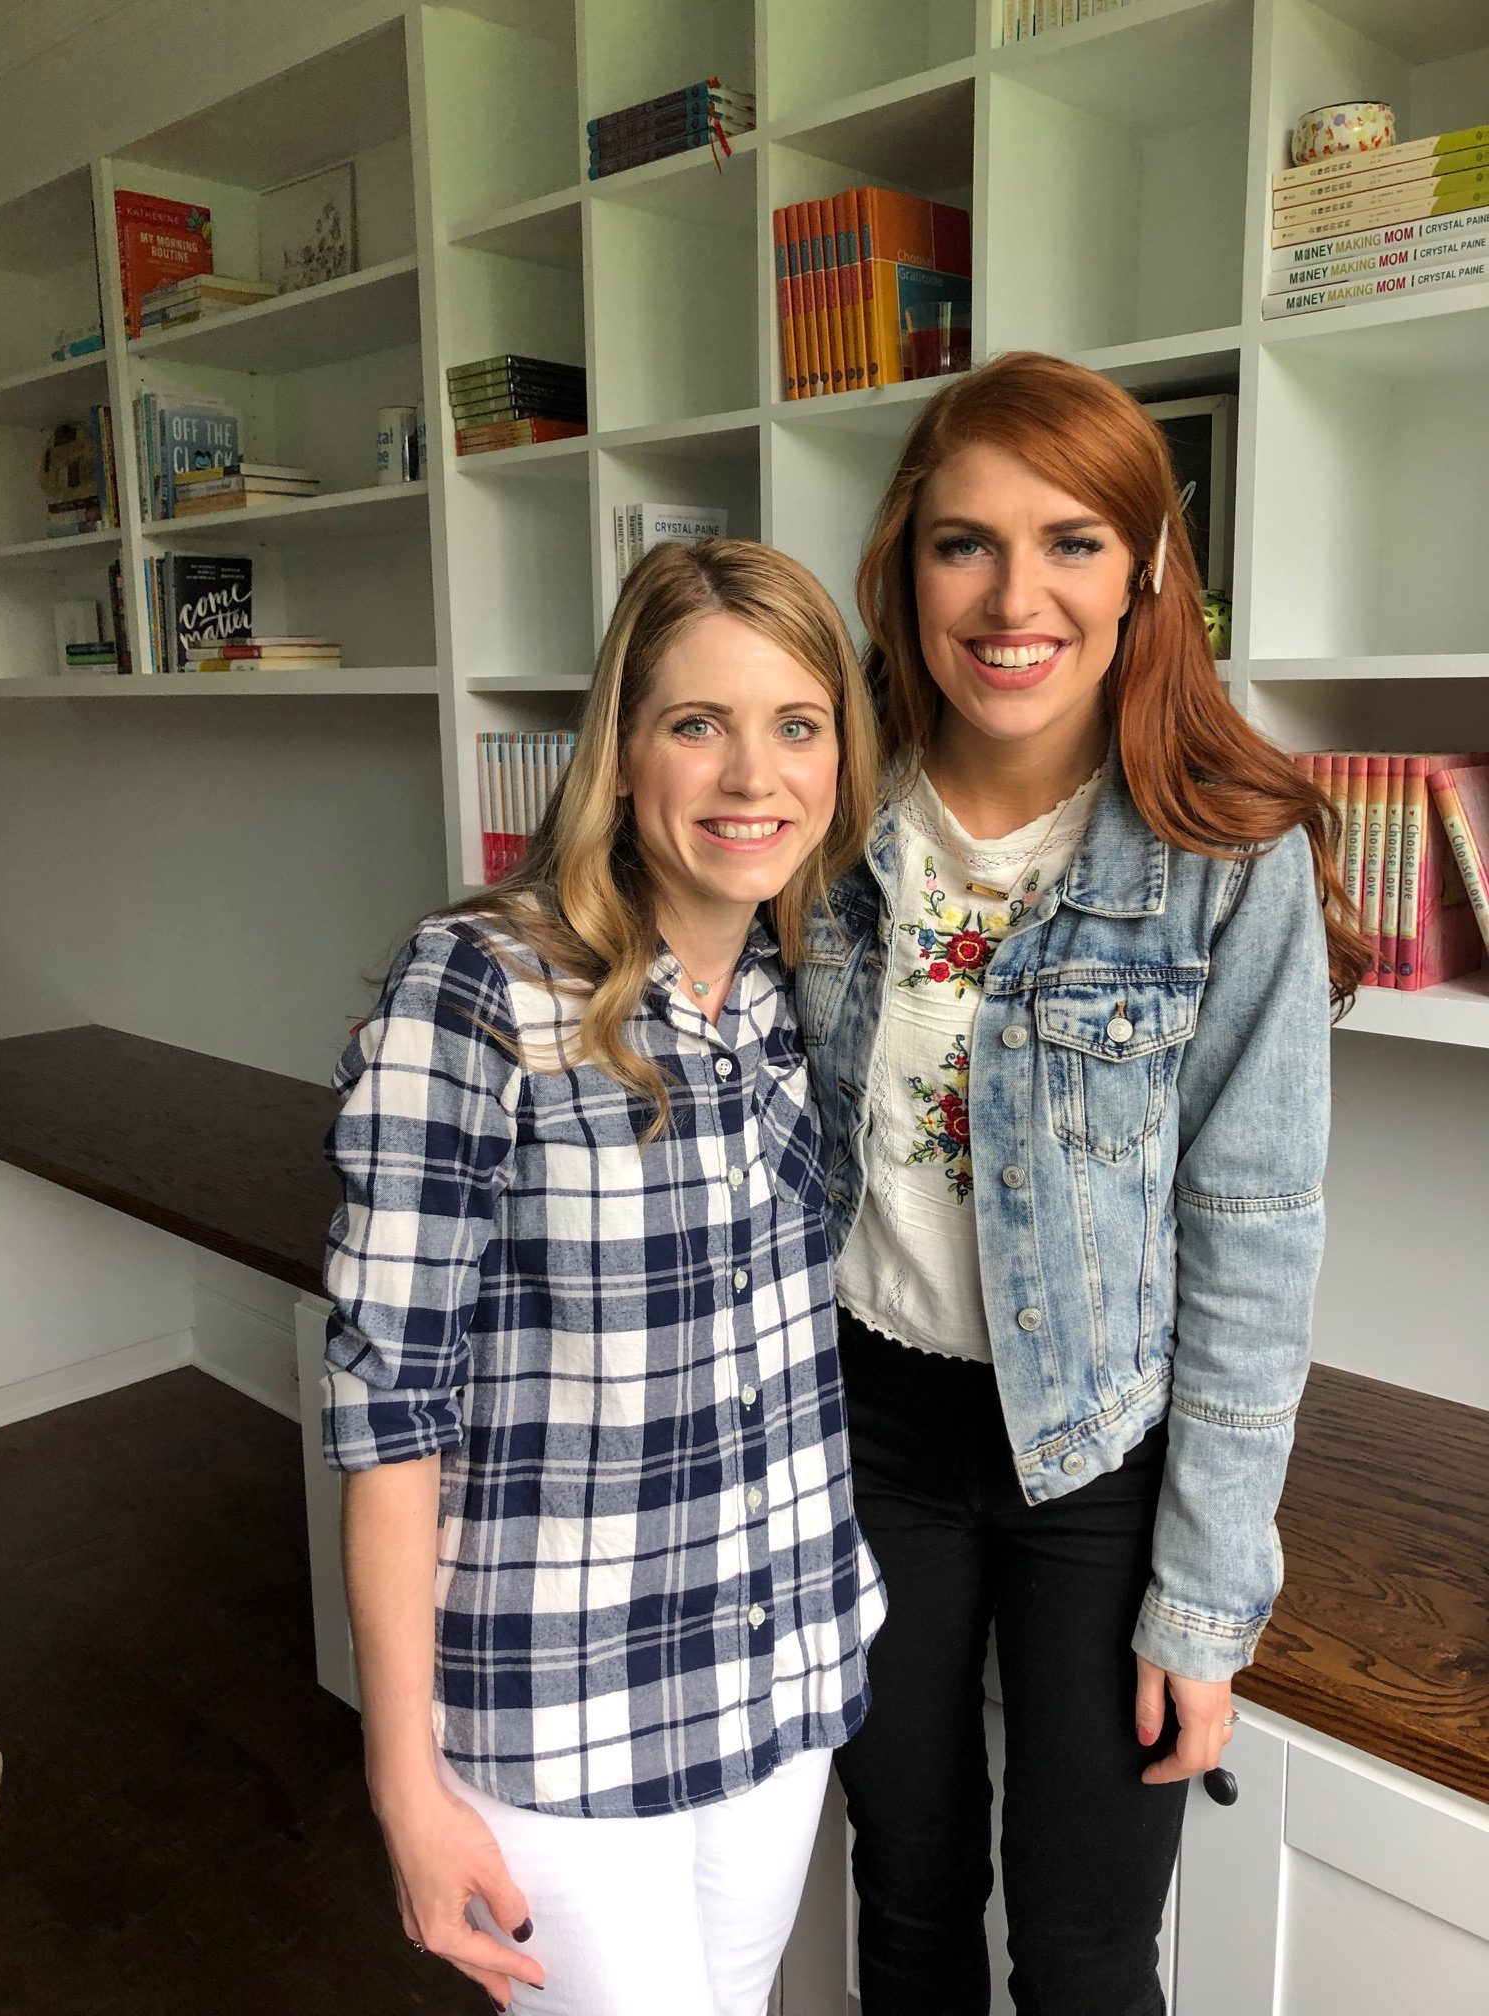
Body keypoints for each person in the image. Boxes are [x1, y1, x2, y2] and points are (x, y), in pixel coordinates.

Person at [794, 351, 1367, 2016]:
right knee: (900, 1897)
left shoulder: (1225, 857)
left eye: (1072, 542)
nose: (1013, 595)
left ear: (1147, 573)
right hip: (864, 1437)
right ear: (906, 567)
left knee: (1088, 1949)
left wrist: (1204, 1601)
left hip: (1099, 1465)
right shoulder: (827, 829)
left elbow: (1253, 1251)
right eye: (964, 542)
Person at [320, 538, 885, 2016]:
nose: (749, 773)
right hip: (567, 1713)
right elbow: (392, 1412)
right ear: (623, 753)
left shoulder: (791, 985)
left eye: (797, 725)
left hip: (777, 1672)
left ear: (840, 757)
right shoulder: (478, 987)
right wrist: (404, 1782)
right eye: (697, 723)